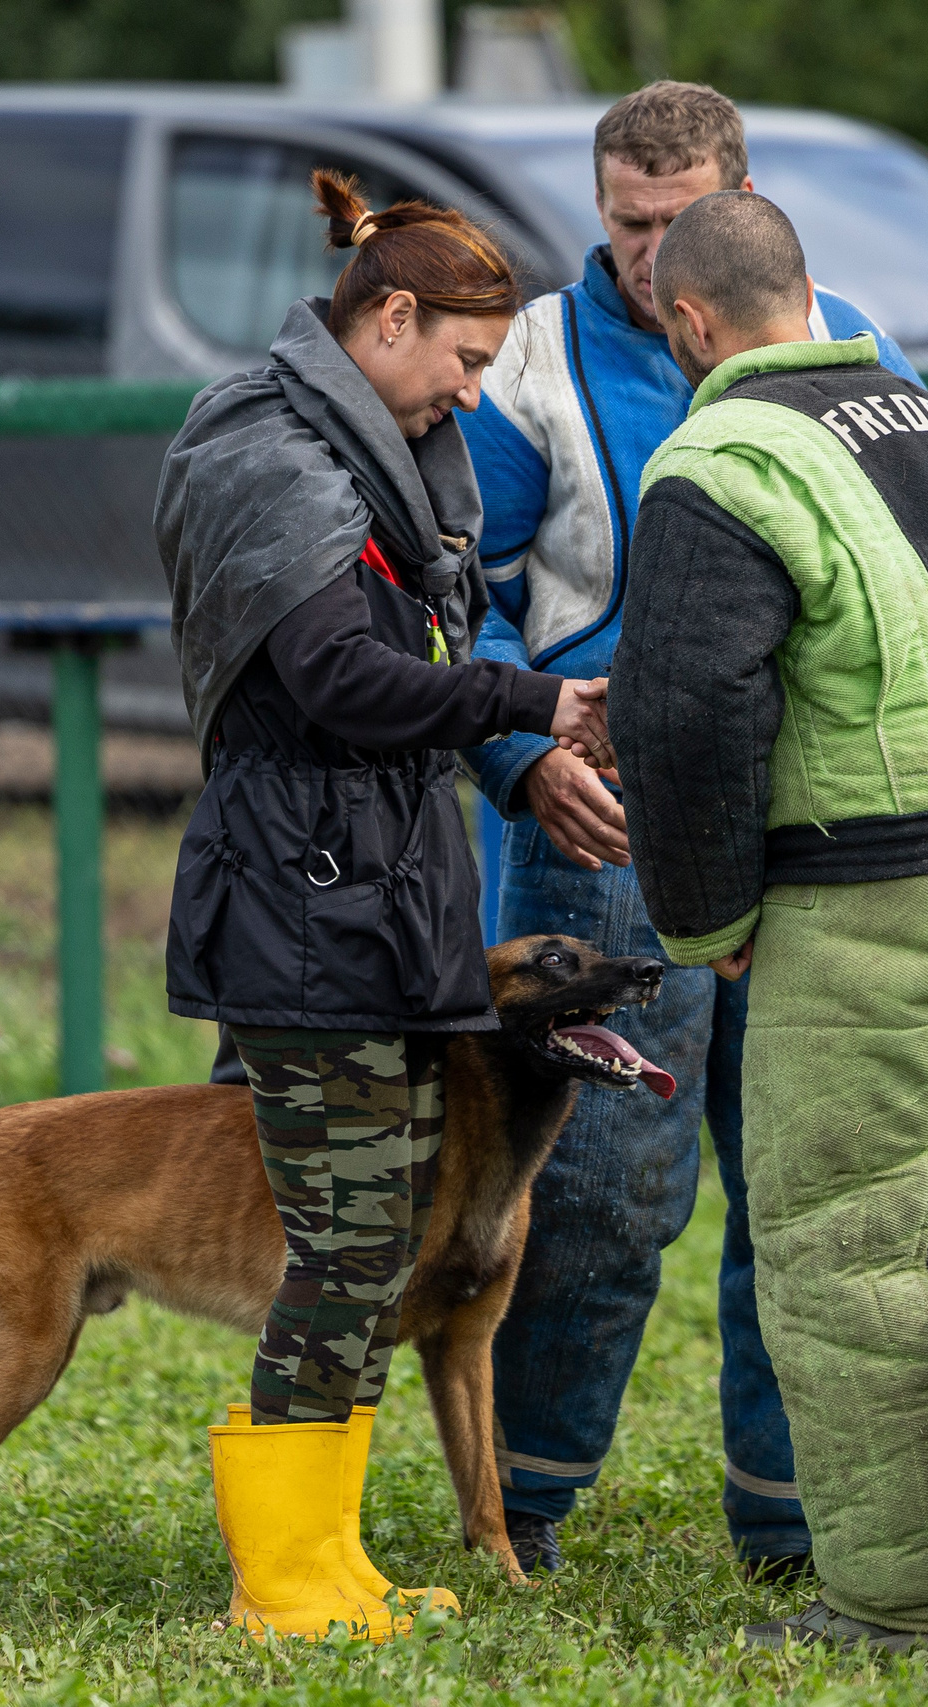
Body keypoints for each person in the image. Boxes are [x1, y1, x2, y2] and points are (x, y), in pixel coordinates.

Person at [610, 191, 928, 1653]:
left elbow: (687, 705)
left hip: (887, 881)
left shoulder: (713, 458)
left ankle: (897, 1609)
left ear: (689, 324)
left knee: (846, 1249)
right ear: (813, 294)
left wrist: (709, 919)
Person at [456, 77, 917, 1584]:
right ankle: (520, 1506)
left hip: (810, 823)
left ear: (739, 198)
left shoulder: (837, 336)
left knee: (797, 1184)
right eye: (625, 222)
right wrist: (523, 754)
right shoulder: (528, 357)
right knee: (593, 1190)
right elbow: (461, 598)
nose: (650, 255)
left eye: (675, 222)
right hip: (601, 837)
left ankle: (790, 1524)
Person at [153, 170, 611, 1641]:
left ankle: (329, 1557)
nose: (471, 399)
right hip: (298, 917)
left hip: (373, 908)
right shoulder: (271, 458)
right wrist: (525, 694)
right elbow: (341, 681)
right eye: (464, 363)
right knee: (347, 1249)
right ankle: (284, 1583)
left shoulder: (367, 457)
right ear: (390, 317)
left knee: (365, 1254)